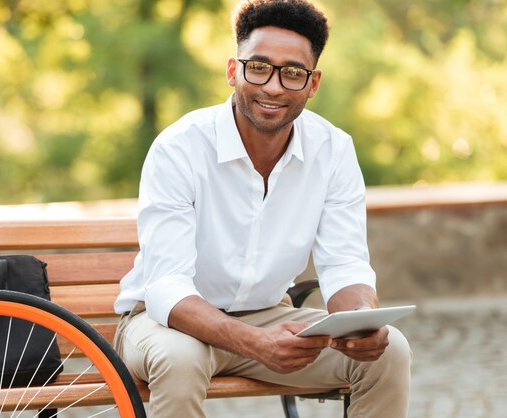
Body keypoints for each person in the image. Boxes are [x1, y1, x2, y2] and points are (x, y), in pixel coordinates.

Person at [113, 0, 412, 417]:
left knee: (389, 351)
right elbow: (167, 287)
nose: (273, 86)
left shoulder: (334, 150)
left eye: (292, 73)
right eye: (259, 67)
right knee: (181, 360)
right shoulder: (179, 148)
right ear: (234, 70)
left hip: (269, 318)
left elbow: (345, 266)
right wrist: (255, 342)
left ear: (313, 83)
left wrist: (362, 321)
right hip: (165, 324)